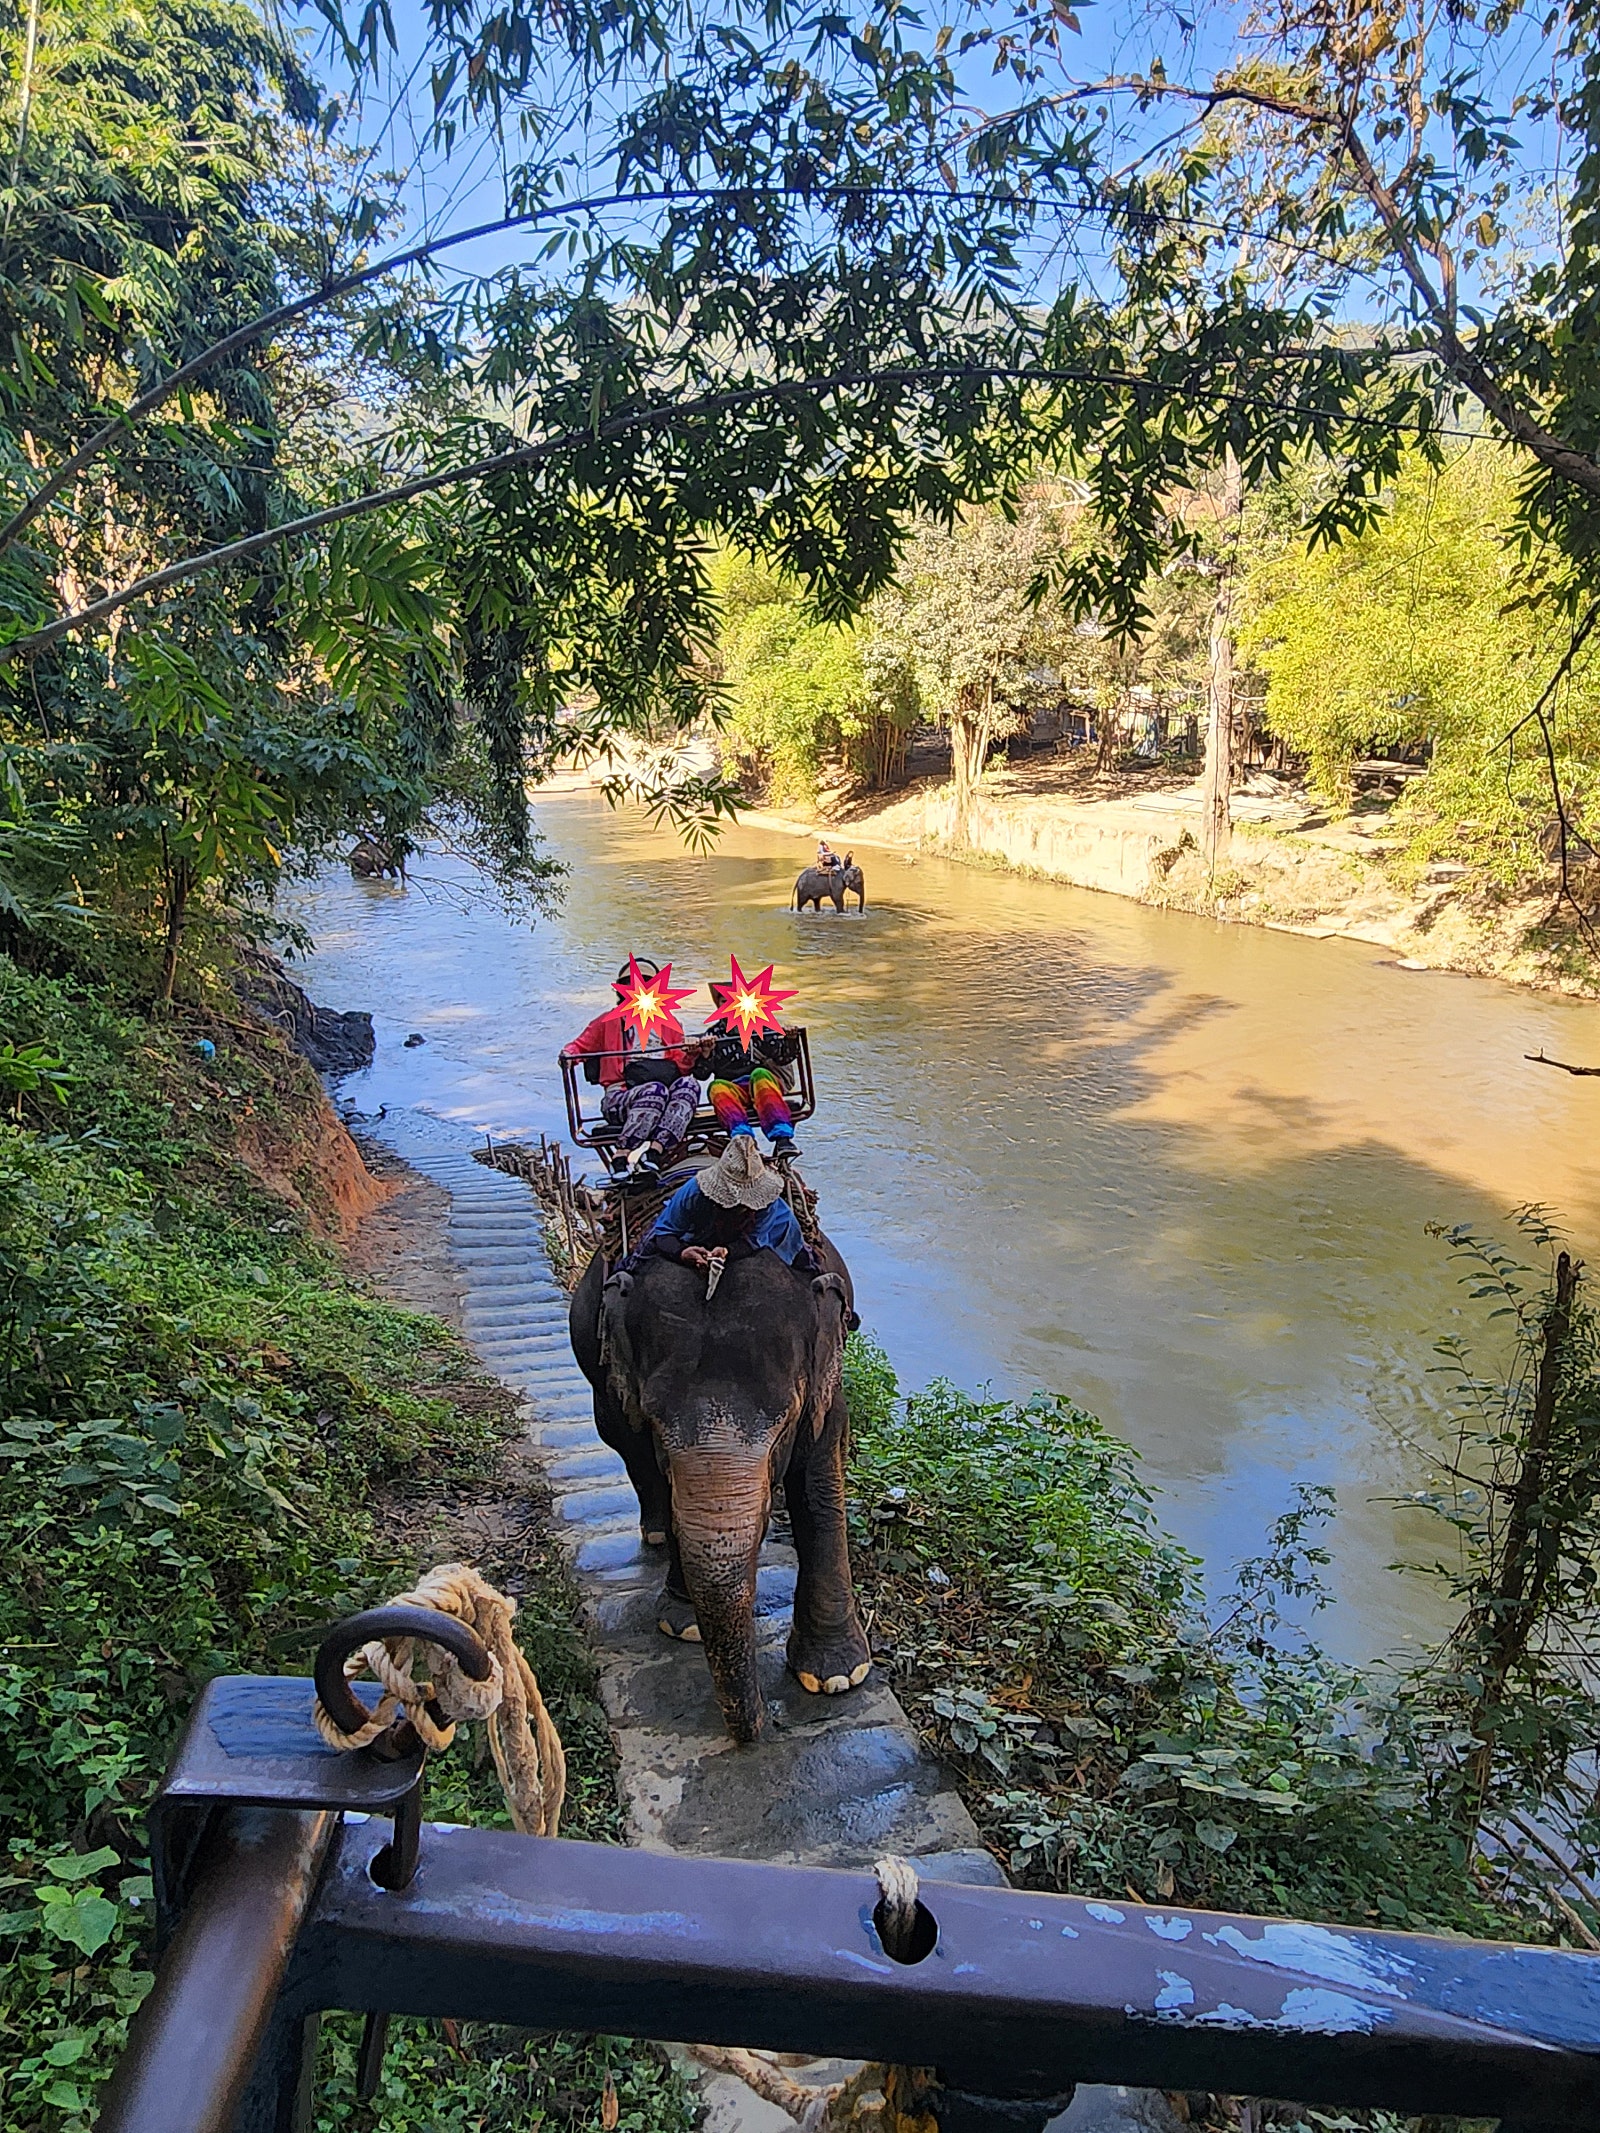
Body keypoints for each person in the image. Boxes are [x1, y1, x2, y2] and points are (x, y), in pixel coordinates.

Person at [561, 958, 704, 1180]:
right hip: (622, 1095)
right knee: (655, 1090)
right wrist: (568, 1056)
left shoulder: (669, 1023)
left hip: (663, 1090)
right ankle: (622, 1155)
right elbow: (578, 1046)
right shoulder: (608, 1022)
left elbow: (681, 1067)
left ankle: (655, 1151)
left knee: (689, 1085)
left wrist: (693, 1052)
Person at [632, 1134, 819, 1274]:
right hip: (703, 1228)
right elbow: (665, 1231)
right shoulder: (693, 1194)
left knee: (804, 1259)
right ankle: (626, 1271)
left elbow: (756, 1239)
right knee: (645, 1250)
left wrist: (728, 1251)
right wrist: (682, 1252)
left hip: (766, 1231)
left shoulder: (769, 1202)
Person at [704, 1013, 801, 1160]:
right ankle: (743, 1138)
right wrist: (705, 1053)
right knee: (716, 1087)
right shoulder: (713, 1034)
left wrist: (791, 1039)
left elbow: (783, 1057)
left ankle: (782, 1138)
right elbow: (702, 1074)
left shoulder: (762, 1027)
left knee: (760, 1074)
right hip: (733, 1089)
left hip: (762, 1084)